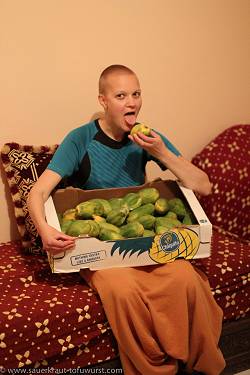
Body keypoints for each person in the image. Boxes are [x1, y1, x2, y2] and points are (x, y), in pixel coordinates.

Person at [28, 65, 225, 375]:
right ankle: (155, 369)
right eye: (121, 95)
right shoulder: (80, 138)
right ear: (103, 100)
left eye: (136, 94)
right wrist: (44, 230)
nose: (131, 102)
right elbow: (37, 193)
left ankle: (201, 365)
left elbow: (203, 185)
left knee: (186, 278)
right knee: (122, 292)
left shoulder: (146, 138)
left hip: (144, 239)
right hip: (100, 247)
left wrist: (161, 152)